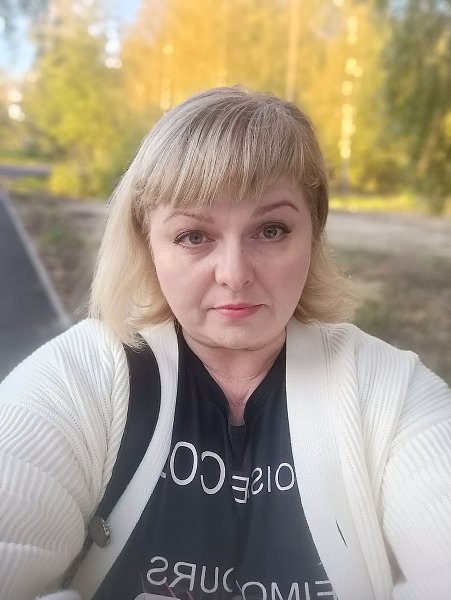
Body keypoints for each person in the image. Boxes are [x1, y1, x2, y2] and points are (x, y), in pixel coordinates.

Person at [0, 87, 450, 600]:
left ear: (313, 234)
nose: (234, 275)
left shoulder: (391, 393)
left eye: (271, 230)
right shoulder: (81, 375)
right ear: (148, 244)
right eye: (194, 236)